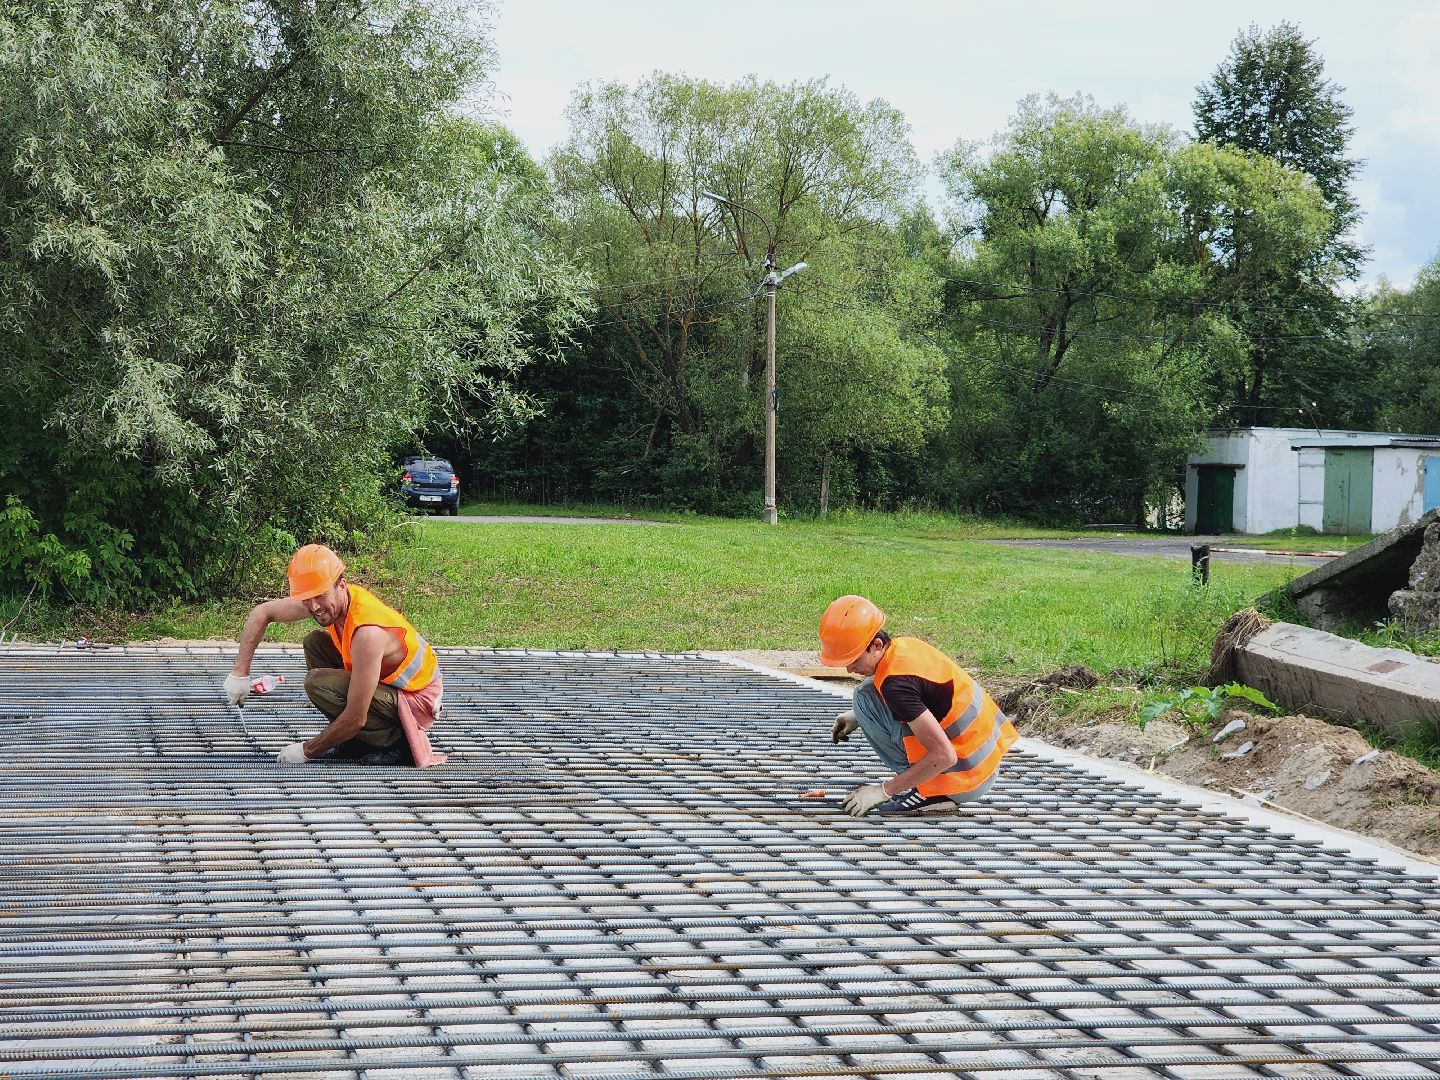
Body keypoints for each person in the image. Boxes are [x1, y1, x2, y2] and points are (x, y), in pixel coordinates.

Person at [225, 544, 446, 767]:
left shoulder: (368, 634)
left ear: (341, 586)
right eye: (306, 598)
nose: (314, 607)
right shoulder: (332, 601)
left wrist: (307, 751)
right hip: (391, 688)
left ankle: (397, 744)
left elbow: (356, 717)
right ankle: (356, 740)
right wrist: (239, 673)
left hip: (416, 701)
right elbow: (262, 612)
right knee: (315, 643)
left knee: (318, 683)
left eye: (320, 596)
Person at [819, 594, 1015, 817]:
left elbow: (944, 756)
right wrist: (859, 716)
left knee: (863, 695)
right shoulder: (904, 647)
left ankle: (931, 792)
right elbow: (922, 695)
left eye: (853, 660)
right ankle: (934, 785)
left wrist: (883, 791)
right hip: (985, 764)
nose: (849, 670)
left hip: (965, 778)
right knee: (866, 695)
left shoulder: (895, 686)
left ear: (876, 645)